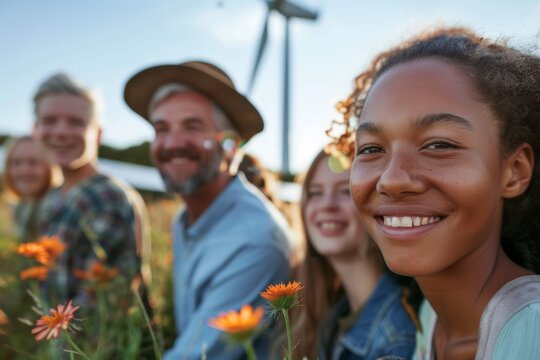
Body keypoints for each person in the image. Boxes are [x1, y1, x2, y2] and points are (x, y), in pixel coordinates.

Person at [333, 27, 540, 359]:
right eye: (371, 149)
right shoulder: (429, 320)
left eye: (439, 144)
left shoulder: (532, 332)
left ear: (514, 171)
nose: (392, 179)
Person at [124, 60, 294, 360]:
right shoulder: (183, 220)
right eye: (161, 129)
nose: (173, 143)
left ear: (230, 146)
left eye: (192, 126)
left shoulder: (254, 240)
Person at [32, 73, 150, 305]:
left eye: (76, 122)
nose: (61, 132)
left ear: (97, 134)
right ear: (35, 129)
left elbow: (99, 303)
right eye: (49, 121)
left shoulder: (105, 197)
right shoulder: (56, 193)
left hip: (90, 341)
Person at [292, 148, 417, 360]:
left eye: (345, 191)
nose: (327, 205)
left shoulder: (396, 333)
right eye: (315, 193)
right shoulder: (330, 316)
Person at [2, 136, 61, 243]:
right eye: (16, 163)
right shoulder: (21, 205)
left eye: (33, 162)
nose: (24, 170)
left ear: (50, 166)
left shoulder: (55, 206)